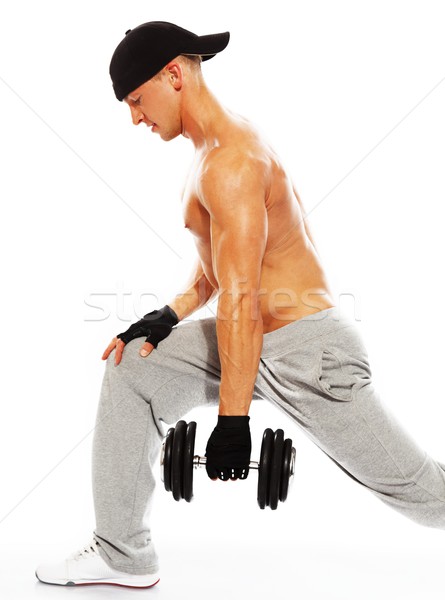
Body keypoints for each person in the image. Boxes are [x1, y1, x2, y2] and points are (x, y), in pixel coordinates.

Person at [35, 21, 445, 589]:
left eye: (135, 100)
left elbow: (244, 299)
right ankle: (122, 554)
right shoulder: (210, 151)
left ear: (173, 75)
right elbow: (219, 272)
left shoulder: (231, 163)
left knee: (423, 494)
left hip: (308, 354)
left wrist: (233, 422)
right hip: (256, 341)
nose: (135, 118)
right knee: (132, 368)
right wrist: (170, 314)